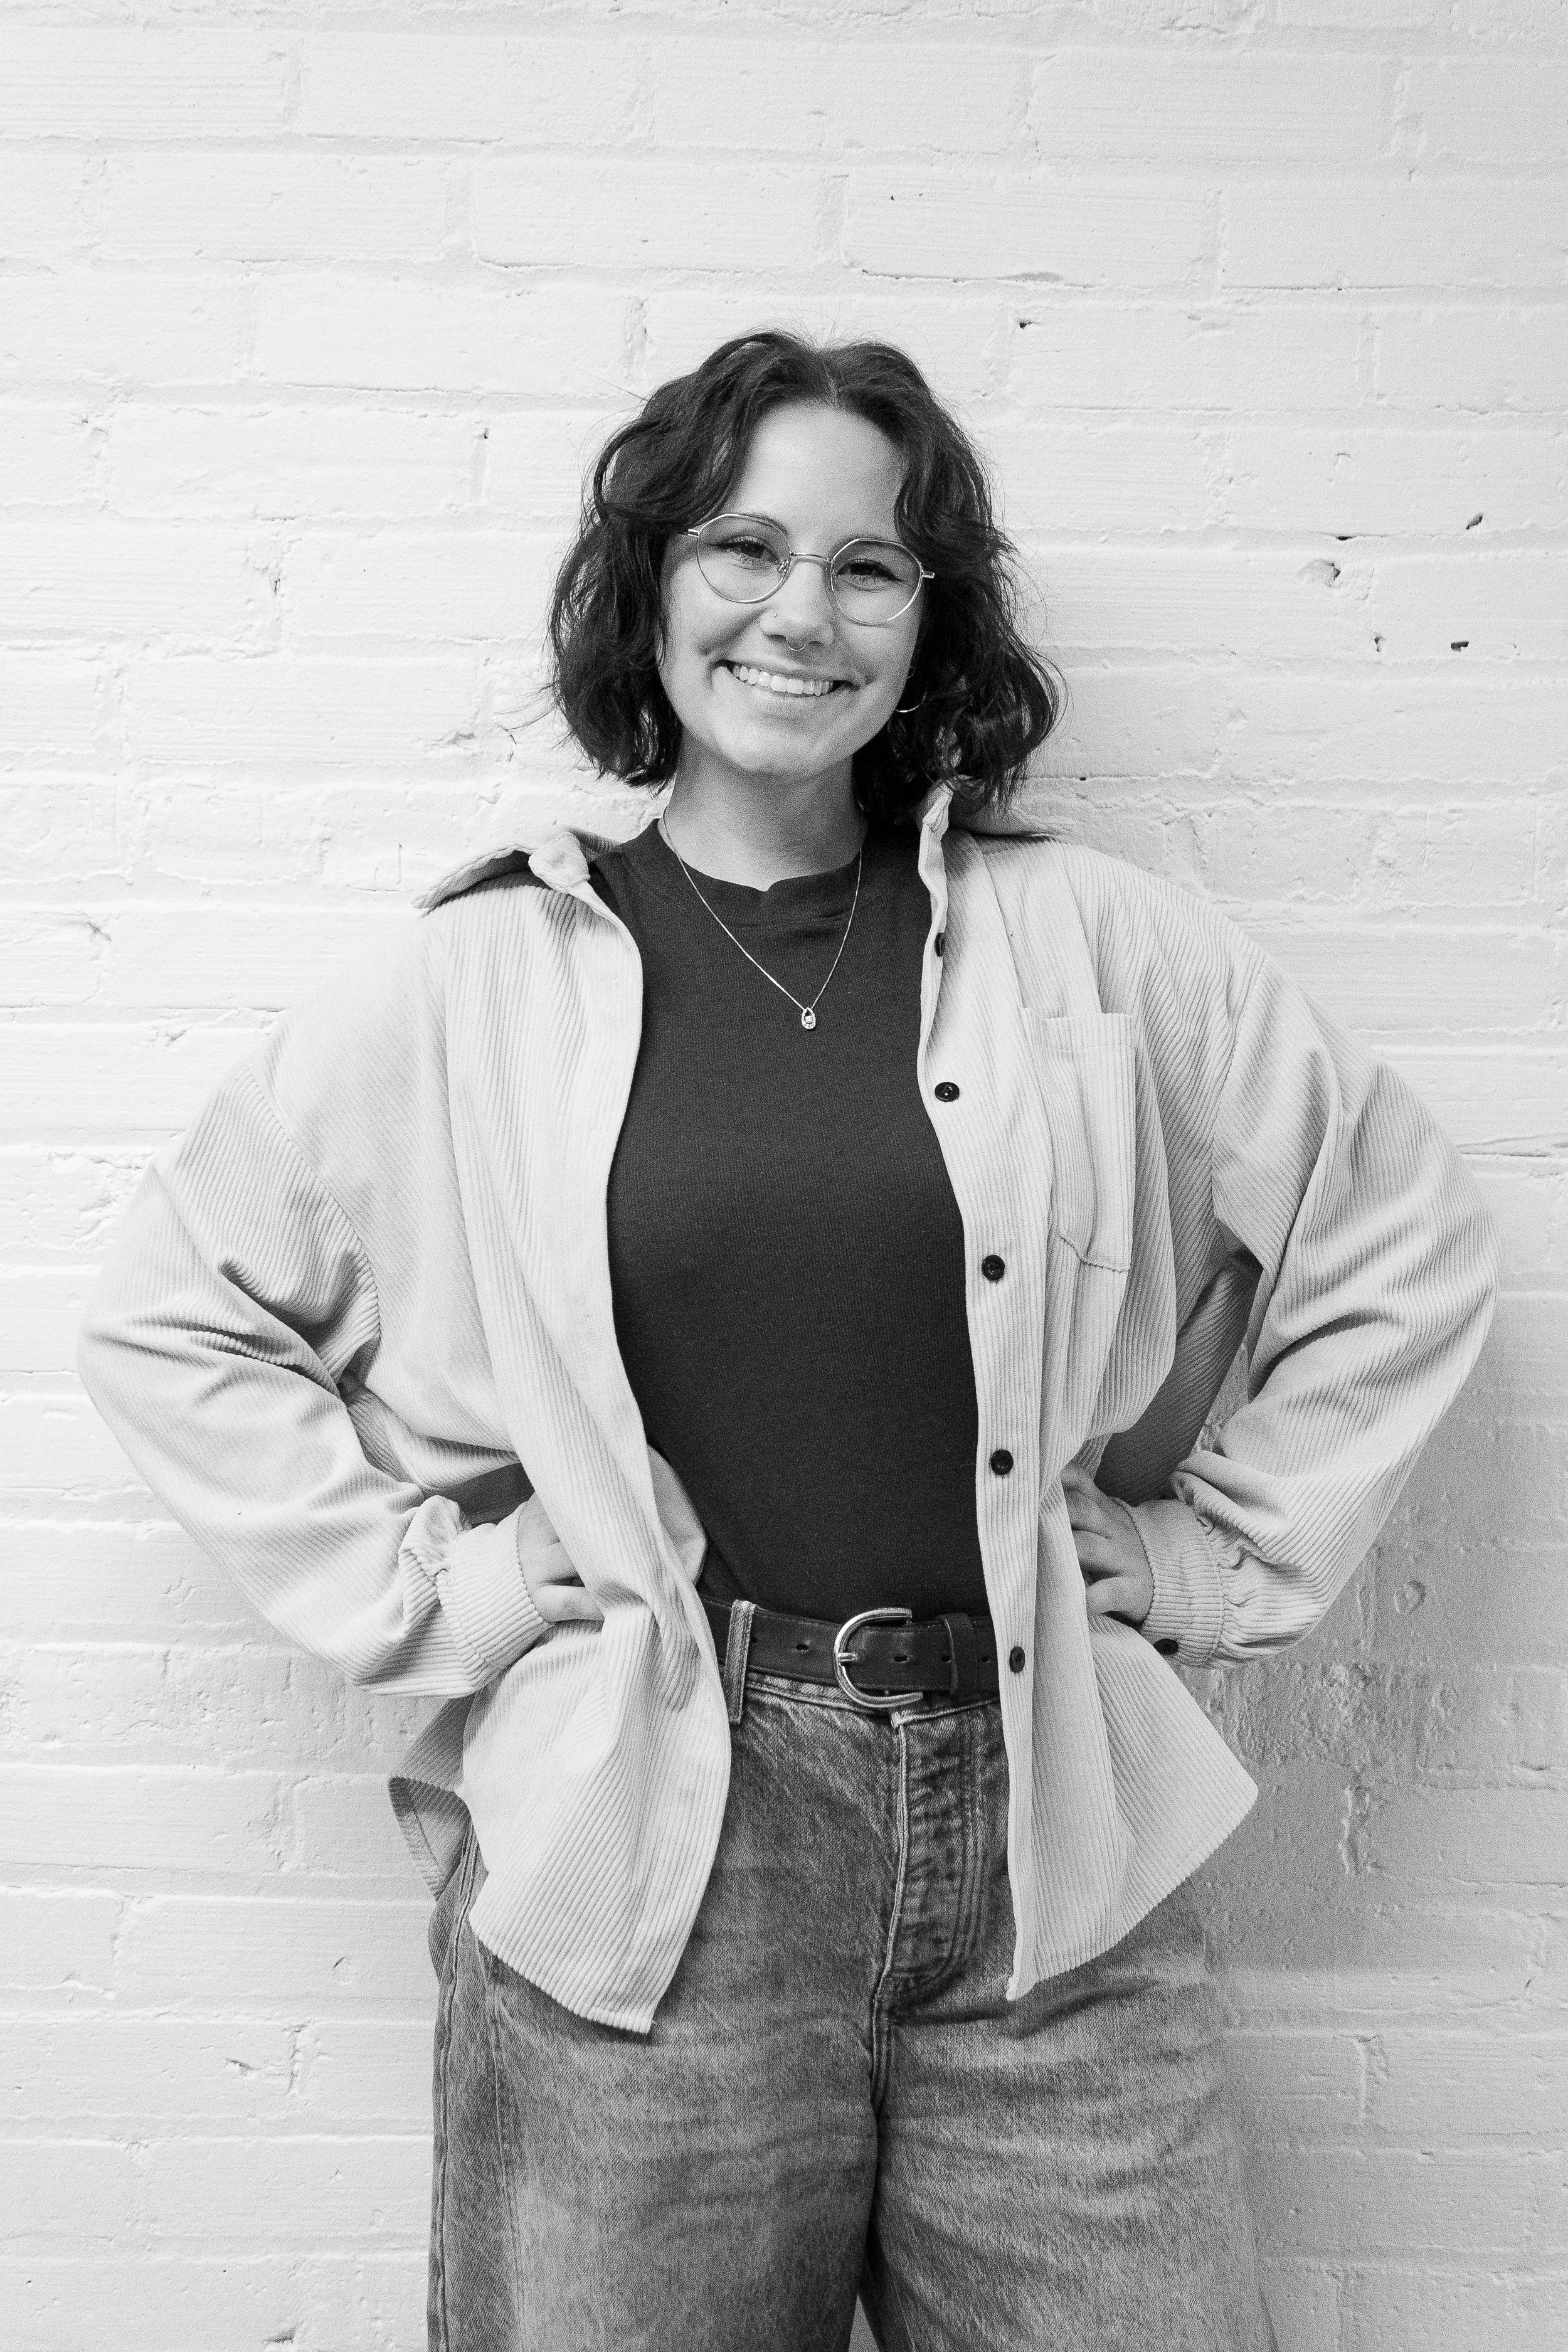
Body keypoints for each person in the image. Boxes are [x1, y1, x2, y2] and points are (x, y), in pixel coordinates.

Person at [78, 330, 1497, 2352]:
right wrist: (442, 1587)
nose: (799, 614)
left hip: (1051, 1845)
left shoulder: (1086, 941)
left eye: (870, 566)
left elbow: (1397, 1230)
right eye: (744, 546)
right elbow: (175, 1308)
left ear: (930, 624)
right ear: (650, 585)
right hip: (659, 1861)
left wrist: (1218, 1555)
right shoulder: (483, 979)